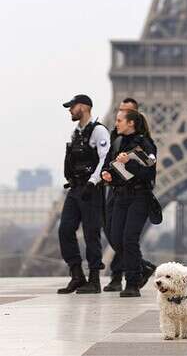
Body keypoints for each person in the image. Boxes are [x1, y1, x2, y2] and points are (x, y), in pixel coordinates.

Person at [57, 94, 110, 294]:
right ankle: (77, 274)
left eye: (73, 106)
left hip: (91, 189)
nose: (70, 110)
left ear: (85, 107)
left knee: (91, 233)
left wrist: (92, 182)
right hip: (75, 188)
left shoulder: (99, 131)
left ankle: (94, 279)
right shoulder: (77, 133)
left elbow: (105, 159)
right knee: (65, 230)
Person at [101, 109, 157, 297]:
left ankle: (132, 282)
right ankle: (143, 267)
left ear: (131, 123)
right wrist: (107, 175)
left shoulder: (145, 143)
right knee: (116, 238)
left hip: (139, 197)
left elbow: (149, 174)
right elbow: (108, 165)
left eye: (119, 120)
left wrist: (129, 163)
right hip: (120, 196)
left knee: (129, 239)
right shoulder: (116, 141)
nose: (116, 123)